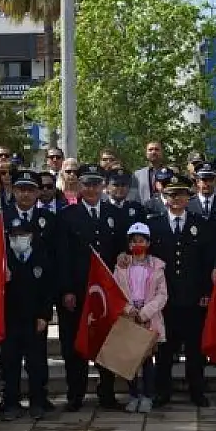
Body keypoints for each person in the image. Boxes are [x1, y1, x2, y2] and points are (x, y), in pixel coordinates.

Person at [55, 164, 125, 411]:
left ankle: (107, 393)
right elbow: (61, 256)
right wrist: (66, 290)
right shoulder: (66, 216)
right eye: (87, 184)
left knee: (106, 343)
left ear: (103, 185)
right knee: (74, 345)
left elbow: (120, 251)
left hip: (106, 295)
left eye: (96, 183)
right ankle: (76, 394)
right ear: (79, 186)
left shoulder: (114, 214)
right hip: (77, 291)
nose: (92, 188)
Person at [145, 174, 214, 407]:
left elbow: (207, 262)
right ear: (165, 198)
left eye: (181, 194)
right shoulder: (153, 225)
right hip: (164, 299)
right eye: (171, 195)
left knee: (195, 350)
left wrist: (206, 292)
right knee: (164, 350)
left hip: (194, 298)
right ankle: (162, 392)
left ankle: (197, 391)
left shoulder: (200, 224)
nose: (176, 199)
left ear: (188, 198)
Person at [0, 216, 56, 420]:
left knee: (36, 363)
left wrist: (44, 315)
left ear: (31, 236)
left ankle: (38, 402)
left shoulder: (41, 258)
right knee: (10, 363)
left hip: (35, 320)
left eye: (22, 235)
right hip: (10, 320)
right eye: (14, 236)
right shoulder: (3, 259)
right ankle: (11, 403)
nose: (18, 239)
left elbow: (48, 290)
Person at [114, 223, 168, 413]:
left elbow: (162, 295)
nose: (138, 244)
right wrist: (129, 309)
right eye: (134, 241)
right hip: (129, 317)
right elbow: (116, 293)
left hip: (149, 318)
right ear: (129, 245)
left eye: (142, 241)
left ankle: (147, 396)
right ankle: (133, 395)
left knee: (147, 360)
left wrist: (145, 312)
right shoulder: (121, 267)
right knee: (131, 360)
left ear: (148, 243)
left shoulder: (157, 266)